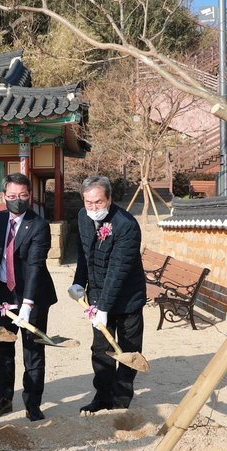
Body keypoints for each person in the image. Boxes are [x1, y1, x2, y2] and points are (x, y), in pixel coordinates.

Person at [0, 173, 57, 421]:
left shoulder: (39, 225)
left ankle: (32, 402)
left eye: (22, 196)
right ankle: (4, 398)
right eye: (12, 196)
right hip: (1, 294)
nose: (17, 200)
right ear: (4, 197)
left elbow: (35, 266)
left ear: (29, 196)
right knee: (2, 348)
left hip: (33, 294)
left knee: (32, 350)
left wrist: (28, 304)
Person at [71, 175, 147, 412]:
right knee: (101, 350)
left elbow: (118, 271)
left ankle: (120, 403)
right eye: (88, 203)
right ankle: (102, 398)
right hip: (96, 296)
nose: (93, 208)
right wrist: (78, 283)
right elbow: (84, 254)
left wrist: (103, 308)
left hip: (127, 299)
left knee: (127, 351)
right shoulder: (83, 217)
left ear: (110, 199)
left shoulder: (126, 225)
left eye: (99, 202)